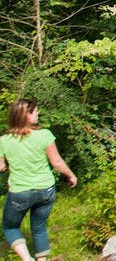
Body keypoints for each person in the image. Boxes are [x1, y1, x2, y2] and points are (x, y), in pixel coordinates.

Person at [0, 99, 77, 261]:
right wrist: (71, 175)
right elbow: (56, 162)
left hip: (20, 191)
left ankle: (27, 259)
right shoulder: (45, 135)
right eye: (35, 112)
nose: (38, 113)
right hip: (45, 190)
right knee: (39, 228)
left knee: (10, 227)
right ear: (26, 115)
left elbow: (1, 167)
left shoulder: (4, 141)